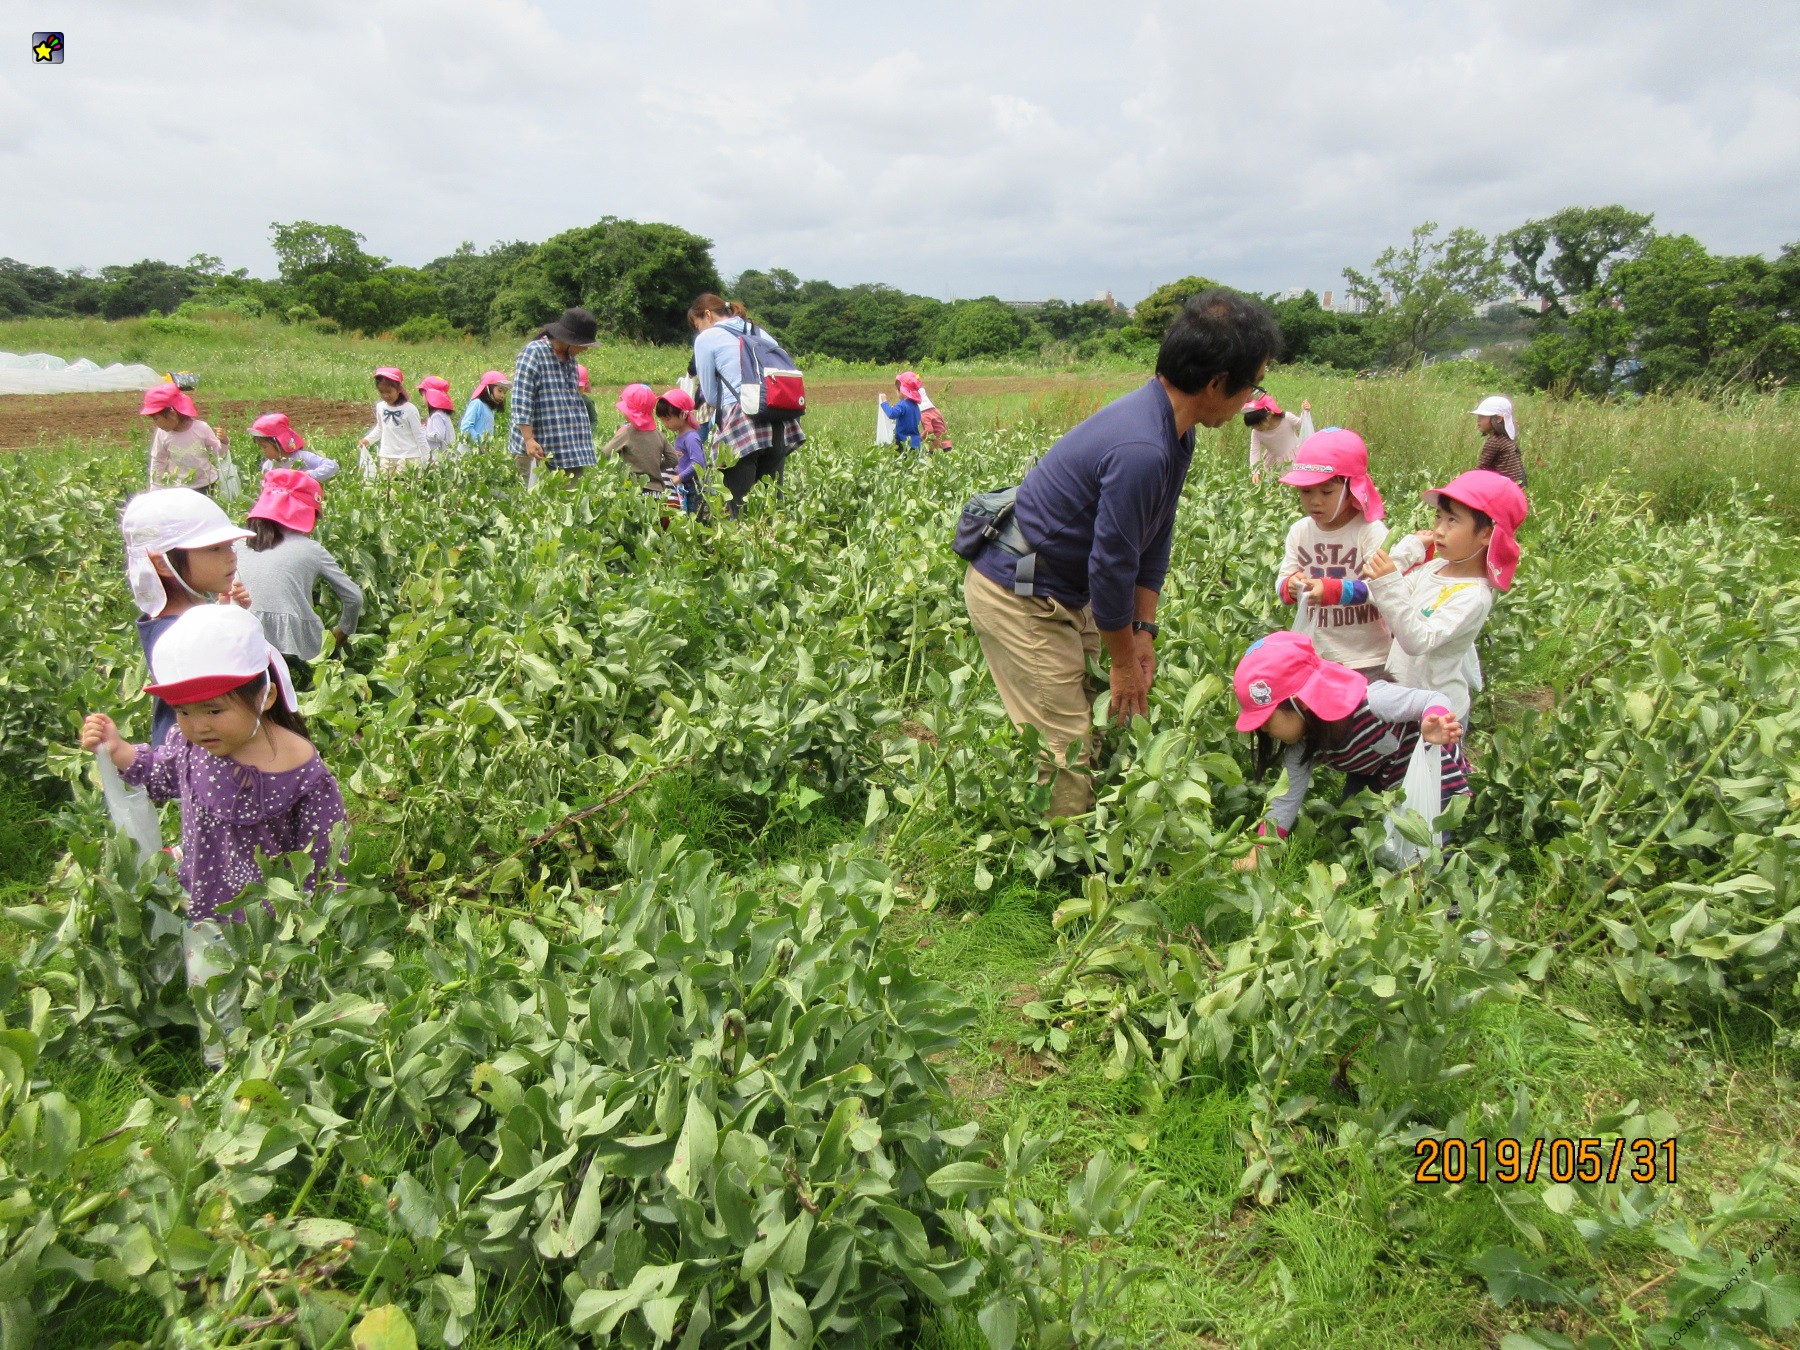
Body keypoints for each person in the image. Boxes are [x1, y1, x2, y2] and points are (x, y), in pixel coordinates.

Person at [963, 288, 1283, 817]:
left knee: (1100, 706)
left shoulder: (1173, 431)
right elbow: (1110, 568)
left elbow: (1153, 536)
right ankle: (1061, 864)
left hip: (1062, 584)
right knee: (1063, 738)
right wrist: (1124, 662)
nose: (1253, 398)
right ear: (1216, 383)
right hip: (1019, 590)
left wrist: (1143, 631)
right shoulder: (1142, 447)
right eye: (1253, 384)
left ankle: (1092, 817)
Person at [80, 605, 348, 1065]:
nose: (198, 724)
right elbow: (161, 774)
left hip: (274, 914)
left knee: (277, 1001)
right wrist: (120, 750)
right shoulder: (192, 748)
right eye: (182, 711)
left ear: (263, 696)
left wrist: (316, 910)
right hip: (205, 900)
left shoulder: (303, 771)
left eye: (214, 709)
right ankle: (225, 1077)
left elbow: (323, 849)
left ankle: (282, 1065)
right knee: (217, 1002)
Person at [1229, 631, 1469, 873]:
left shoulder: (1374, 700)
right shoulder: (1304, 743)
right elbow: (1285, 799)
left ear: (1300, 701)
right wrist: (1257, 854)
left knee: (1431, 838)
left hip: (1427, 767)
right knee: (1352, 825)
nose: (1263, 729)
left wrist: (1432, 721)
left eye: (1267, 720)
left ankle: (1447, 893)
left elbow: (1433, 698)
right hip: (1374, 769)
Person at [1362, 469, 1528, 722]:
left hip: (1438, 714)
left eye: (1453, 521)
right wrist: (1408, 551)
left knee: (1434, 763)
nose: (1439, 530)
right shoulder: (1434, 568)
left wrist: (1387, 580)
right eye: (1438, 517)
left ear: (1487, 534)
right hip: (1405, 700)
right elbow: (1377, 593)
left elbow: (1417, 641)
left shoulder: (1474, 596)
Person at [120, 488, 254, 750]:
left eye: (229, 545)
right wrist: (232, 623)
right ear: (161, 564)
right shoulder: (179, 633)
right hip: (199, 761)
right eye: (214, 548)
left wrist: (228, 612)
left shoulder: (171, 621)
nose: (231, 555)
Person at [1274, 428, 1392, 681]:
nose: (1315, 501)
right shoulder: (1299, 531)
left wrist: (1334, 590)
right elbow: (1282, 579)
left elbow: (1385, 590)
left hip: (1367, 658)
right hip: (1317, 656)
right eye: (1306, 492)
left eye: (1327, 492)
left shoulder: (1369, 532)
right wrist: (1290, 586)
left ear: (1353, 488)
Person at [233, 469, 364, 688]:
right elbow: (354, 598)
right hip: (301, 645)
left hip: (245, 640)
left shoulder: (236, 544)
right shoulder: (312, 549)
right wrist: (342, 631)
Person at [689, 293, 805, 519]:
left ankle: (740, 551)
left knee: (738, 507)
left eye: (698, 325)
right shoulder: (760, 332)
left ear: (707, 314)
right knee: (770, 509)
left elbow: (712, 396)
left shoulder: (707, 338)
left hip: (741, 422)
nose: (699, 331)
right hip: (778, 420)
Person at [511, 308, 601, 481]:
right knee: (540, 505)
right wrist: (528, 439)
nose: (585, 349)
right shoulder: (534, 353)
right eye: (583, 344)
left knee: (571, 504)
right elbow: (521, 400)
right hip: (540, 451)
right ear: (568, 339)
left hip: (569, 450)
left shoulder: (571, 360)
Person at [143, 383, 230, 492]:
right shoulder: (162, 434)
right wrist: (155, 487)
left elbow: (219, 454)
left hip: (207, 484)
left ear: (172, 414)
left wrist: (223, 442)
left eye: (156, 419)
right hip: (180, 488)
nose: (156, 424)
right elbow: (158, 459)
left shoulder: (201, 428)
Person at [356, 367, 430, 474]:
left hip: (408, 457)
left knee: (404, 486)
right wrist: (368, 440)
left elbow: (419, 435)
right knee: (387, 487)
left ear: (399, 389)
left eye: (389, 392)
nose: (385, 395)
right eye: (381, 392)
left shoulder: (409, 409)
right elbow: (381, 428)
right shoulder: (381, 407)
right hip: (386, 456)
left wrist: (427, 457)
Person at [604, 383, 678, 488]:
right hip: (657, 490)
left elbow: (606, 453)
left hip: (634, 490)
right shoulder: (659, 435)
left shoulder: (626, 433)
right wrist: (655, 467)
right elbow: (673, 459)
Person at [657, 387, 709, 516]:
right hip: (687, 487)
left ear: (683, 414)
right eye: (662, 420)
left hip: (694, 489)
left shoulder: (690, 437)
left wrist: (679, 477)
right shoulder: (681, 436)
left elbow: (698, 463)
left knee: (694, 521)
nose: (665, 424)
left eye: (668, 419)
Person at [1243, 393, 1313, 483]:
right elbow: (1254, 452)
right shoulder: (1256, 433)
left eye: (1257, 424)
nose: (1255, 428)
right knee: (1276, 487)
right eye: (1252, 426)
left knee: (1295, 484)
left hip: (1294, 459)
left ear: (1268, 415)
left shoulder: (1286, 419)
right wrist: (1255, 472)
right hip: (1274, 462)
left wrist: (1305, 412)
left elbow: (1301, 424)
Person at [251, 413, 338, 482]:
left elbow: (332, 466)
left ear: (279, 444)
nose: (263, 451)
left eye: (264, 447)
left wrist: (307, 476)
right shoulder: (268, 466)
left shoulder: (301, 457)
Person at [1471, 395, 1526, 486]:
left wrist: (1463, 480)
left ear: (1499, 419)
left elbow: (1481, 469)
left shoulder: (1494, 441)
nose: (1478, 421)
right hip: (1518, 485)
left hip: (1505, 488)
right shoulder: (1506, 439)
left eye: (1483, 417)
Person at [902, 370, 953, 452]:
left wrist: (919, 439)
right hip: (946, 443)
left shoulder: (924, 414)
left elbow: (929, 430)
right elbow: (944, 425)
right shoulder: (935, 410)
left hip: (937, 446)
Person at [460, 371, 509, 442]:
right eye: (500, 391)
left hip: (481, 451)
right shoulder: (477, 403)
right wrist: (480, 442)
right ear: (488, 389)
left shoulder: (490, 410)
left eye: (504, 393)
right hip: (469, 449)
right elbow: (465, 427)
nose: (502, 396)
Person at [882, 373, 924, 452]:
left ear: (901, 391)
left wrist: (884, 402)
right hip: (916, 443)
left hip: (904, 443)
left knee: (902, 463)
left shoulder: (902, 404)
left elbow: (891, 414)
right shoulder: (915, 406)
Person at [421, 384, 457, 461]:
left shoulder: (437, 416)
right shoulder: (441, 414)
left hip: (442, 458)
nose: (422, 397)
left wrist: (424, 432)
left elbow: (439, 436)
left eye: (423, 394)